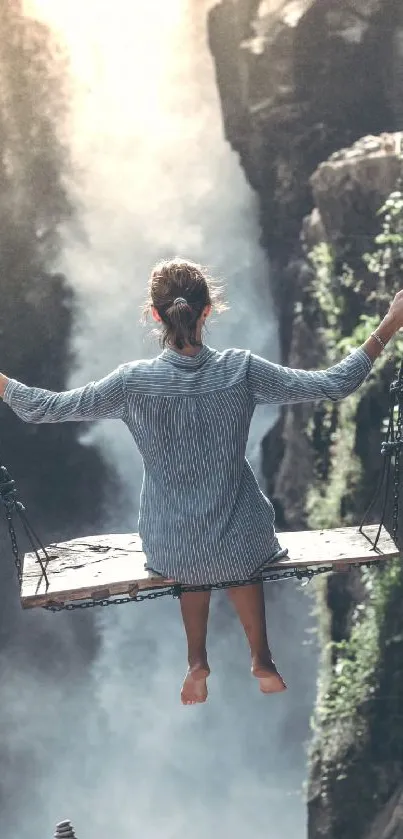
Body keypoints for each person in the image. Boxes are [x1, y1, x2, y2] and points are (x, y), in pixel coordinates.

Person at [1, 259, 402, 705]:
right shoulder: (241, 370)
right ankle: (262, 657)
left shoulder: (132, 382)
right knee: (237, 542)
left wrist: (2, 384)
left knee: (191, 551)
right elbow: (334, 384)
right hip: (242, 540)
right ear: (208, 311)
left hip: (171, 545)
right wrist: (390, 323)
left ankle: (196, 661)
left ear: (155, 315)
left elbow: (46, 407)